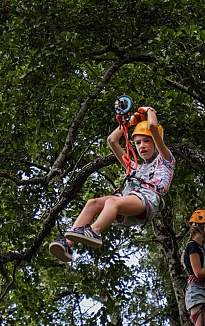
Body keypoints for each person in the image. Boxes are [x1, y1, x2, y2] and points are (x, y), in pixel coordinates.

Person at [49, 106, 176, 262]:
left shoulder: (165, 160)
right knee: (92, 203)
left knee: (112, 201)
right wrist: (129, 123)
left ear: (156, 142)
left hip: (148, 200)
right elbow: (112, 140)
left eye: (147, 141)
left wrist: (149, 111)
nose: (142, 145)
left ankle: (94, 231)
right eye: (138, 142)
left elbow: (152, 128)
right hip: (129, 202)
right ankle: (68, 245)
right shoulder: (136, 168)